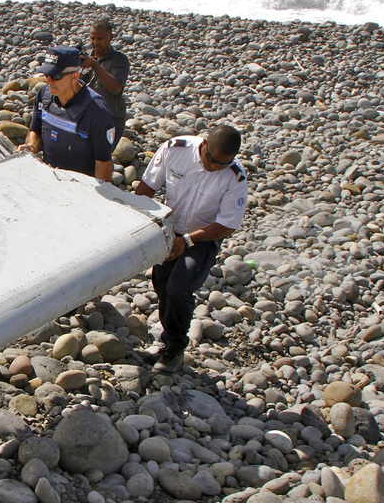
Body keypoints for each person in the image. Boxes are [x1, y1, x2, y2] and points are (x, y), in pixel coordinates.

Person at [135, 125, 248, 373]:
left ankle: (175, 348)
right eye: (211, 160)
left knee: (180, 286)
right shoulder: (176, 150)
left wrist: (187, 241)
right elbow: (147, 187)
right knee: (162, 285)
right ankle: (166, 341)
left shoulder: (235, 177)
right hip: (169, 228)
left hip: (203, 237)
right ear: (204, 144)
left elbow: (228, 224)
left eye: (222, 164)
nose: (215, 167)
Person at [20, 45, 118, 181]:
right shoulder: (44, 96)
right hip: (49, 178)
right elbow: (35, 131)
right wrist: (32, 146)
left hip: (81, 187)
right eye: (46, 75)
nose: (49, 81)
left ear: (75, 76)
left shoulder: (98, 113)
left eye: (56, 76)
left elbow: (103, 163)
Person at [79, 19, 130, 131]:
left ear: (110, 38)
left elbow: (115, 88)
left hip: (110, 121)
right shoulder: (85, 56)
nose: (96, 42)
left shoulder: (119, 60)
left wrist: (95, 66)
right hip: (85, 117)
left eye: (100, 39)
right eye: (92, 38)